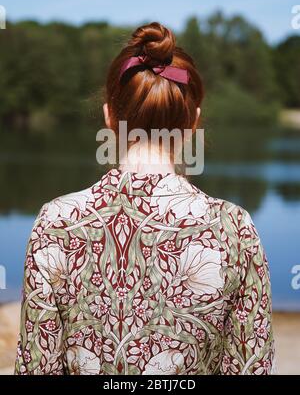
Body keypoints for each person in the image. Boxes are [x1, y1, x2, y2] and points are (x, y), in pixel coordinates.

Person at [15, 22, 275, 375]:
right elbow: (250, 366)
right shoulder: (233, 228)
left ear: (109, 116)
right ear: (193, 123)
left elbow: (36, 367)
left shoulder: (56, 221)